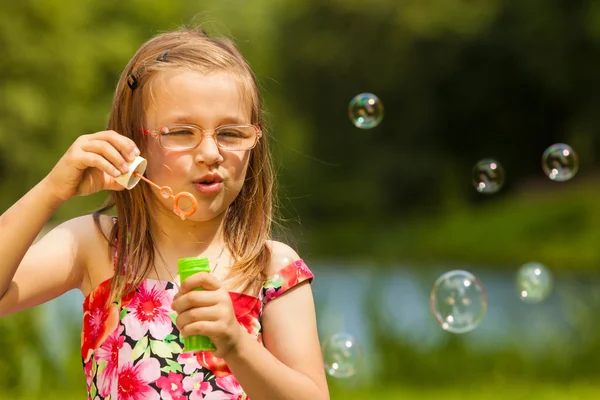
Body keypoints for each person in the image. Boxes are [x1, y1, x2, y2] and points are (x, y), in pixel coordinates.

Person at [0, 26, 330, 400]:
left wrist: (238, 345)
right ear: (134, 142)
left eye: (231, 133)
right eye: (181, 132)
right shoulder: (97, 248)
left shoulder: (270, 267)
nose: (210, 152)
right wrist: (51, 192)